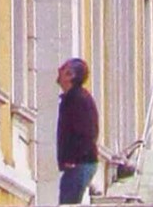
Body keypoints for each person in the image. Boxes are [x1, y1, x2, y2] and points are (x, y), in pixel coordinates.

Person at [54, 57, 100, 204]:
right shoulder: (76, 98)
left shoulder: (75, 99)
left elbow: (86, 132)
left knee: (68, 203)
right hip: (81, 162)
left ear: (70, 75)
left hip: (79, 163)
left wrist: (72, 159)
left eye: (63, 69)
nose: (59, 71)